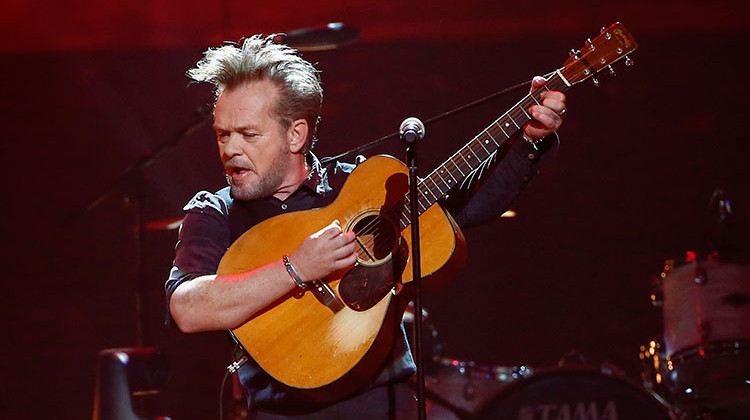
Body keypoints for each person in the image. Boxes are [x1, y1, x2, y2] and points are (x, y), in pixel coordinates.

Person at [166, 34, 567, 419]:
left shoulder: (359, 187)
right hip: (278, 414)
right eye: (223, 135)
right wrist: (297, 267)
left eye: (248, 134)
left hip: (387, 407)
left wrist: (527, 142)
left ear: (295, 134)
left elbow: (467, 207)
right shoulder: (215, 211)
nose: (231, 149)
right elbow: (187, 307)